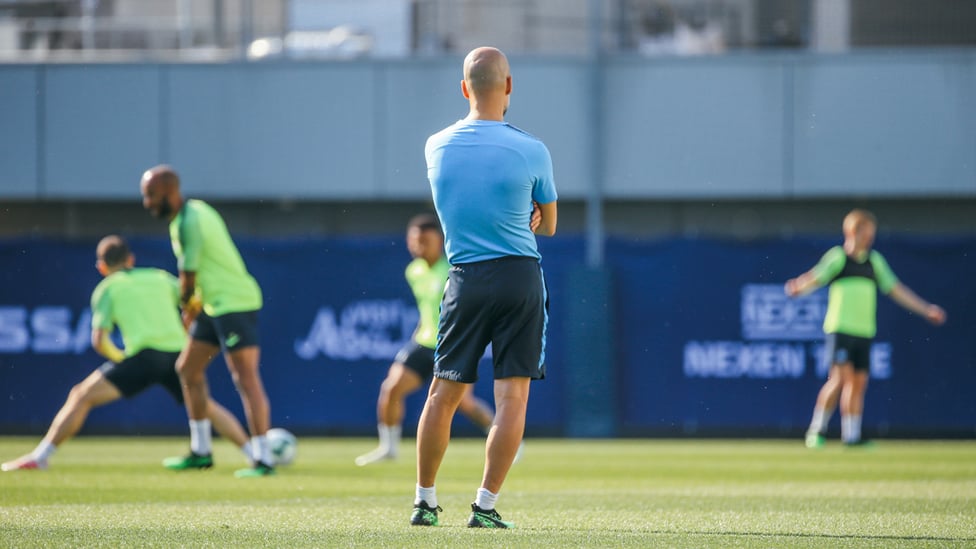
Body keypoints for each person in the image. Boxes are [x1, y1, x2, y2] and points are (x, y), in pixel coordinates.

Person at [411, 46, 557, 529]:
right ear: (509, 87)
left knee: (442, 394)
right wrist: (529, 215)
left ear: (464, 88)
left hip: (465, 277)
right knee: (511, 398)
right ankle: (486, 508)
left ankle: (425, 503)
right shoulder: (532, 148)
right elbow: (548, 224)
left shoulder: (436, 145)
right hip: (518, 276)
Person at [2, 236, 252, 472]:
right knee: (205, 406)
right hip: (178, 355)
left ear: (102, 267)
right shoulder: (159, 277)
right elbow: (193, 302)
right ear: (131, 259)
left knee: (81, 395)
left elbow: (99, 340)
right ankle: (255, 455)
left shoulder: (107, 289)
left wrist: (121, 359)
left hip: (143, 357)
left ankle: (40, 457)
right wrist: (189, 328)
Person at [140, 165, 275, 478]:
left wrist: (185, 308)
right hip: (214, 305)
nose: (146, 203)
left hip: (234, 302)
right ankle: (201, 451)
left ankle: (264, 459)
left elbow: (188, 279)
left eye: (150, 195)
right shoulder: (191, 212)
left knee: (245, 378)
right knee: (187, 369)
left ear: (169, 192)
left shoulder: (190, 221)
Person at [785, 209, 946, 448]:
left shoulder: (875, 262)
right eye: (865, 232)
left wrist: (926, 309)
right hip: (840, 329)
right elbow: (815, 277)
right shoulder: (838, 258)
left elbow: (897, 289)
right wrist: (799, 286)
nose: (870, 237)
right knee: (840, 379)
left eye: (872, 233)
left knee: (858, 384)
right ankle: (816, 430)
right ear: (852, 231)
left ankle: (852, 437)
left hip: (864, 331)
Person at [355, 213, 496, 467]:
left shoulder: (454, 269)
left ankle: (504, 438)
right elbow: (427, 309)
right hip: (424, 342)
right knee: (391, 389)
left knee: (464, 403)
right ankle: (389, 448)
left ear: (440, 241)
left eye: (425, 241)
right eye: (414, 240)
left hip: (452, 345)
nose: (418, 246)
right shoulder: (414, 271)